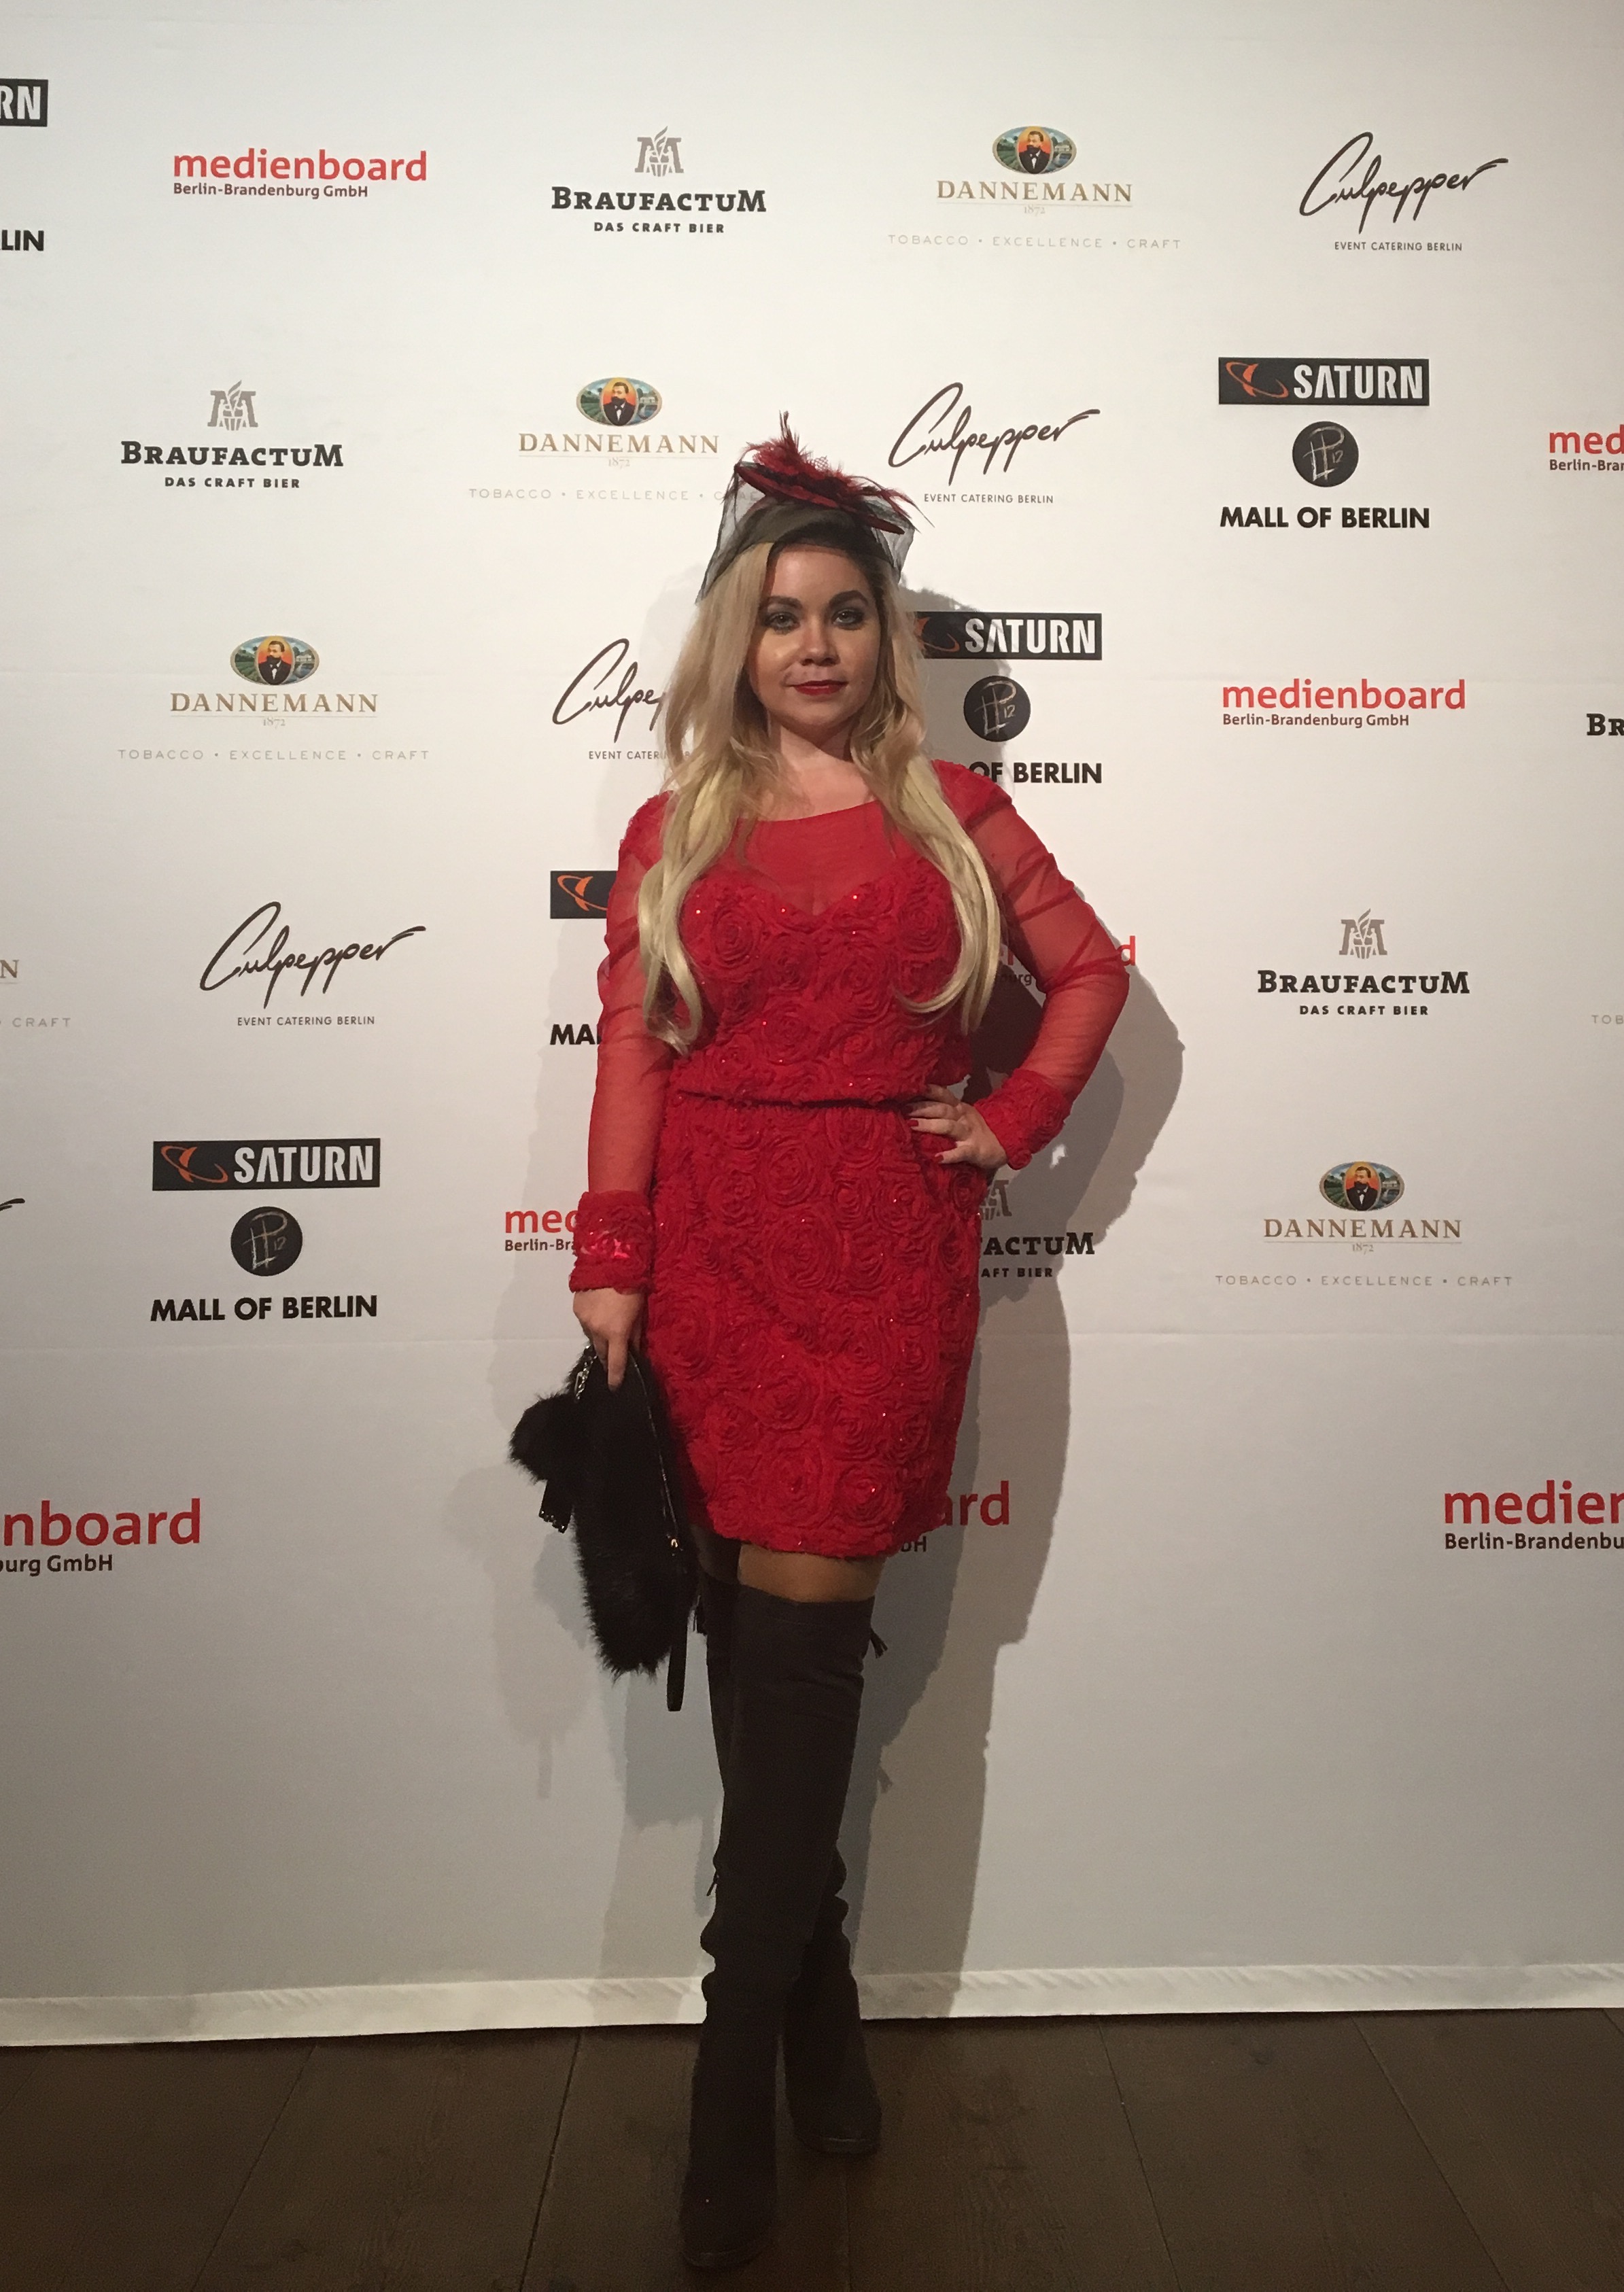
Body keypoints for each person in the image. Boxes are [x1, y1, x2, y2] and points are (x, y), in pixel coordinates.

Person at [570, 426, 1128, 2271]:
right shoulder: (677, 828)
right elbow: (636, 1052)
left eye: (847, 614)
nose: (815, 645)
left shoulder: (955, 813)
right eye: (782, 614)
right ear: (736, 637)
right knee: (753, 1664)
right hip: (715, 1260)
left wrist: (1013, 1115)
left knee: (801, 1672)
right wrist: (613, 1260)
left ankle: (731, 2072)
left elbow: (1096, 973)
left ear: (887, 636)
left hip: (883, 1263)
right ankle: (823, 2028)